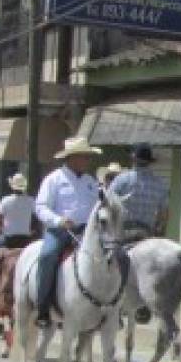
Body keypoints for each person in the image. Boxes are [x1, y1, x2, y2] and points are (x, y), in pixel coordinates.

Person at [33, 136, 104, 327]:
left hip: (86, 233)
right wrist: (58, 220)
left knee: (110, 258)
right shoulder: (53, 180)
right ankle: (43, 307)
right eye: (84, 157)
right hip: (59, 231)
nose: (87, 161)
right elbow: (40, 207)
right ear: (72, 158)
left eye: (88, 157)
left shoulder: (91, 182)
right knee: (48, 256)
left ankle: (107, 309)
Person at [110, 144, 169, 241]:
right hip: (147, 234)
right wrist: (159, 232)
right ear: (150, 162)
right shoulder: (160, 184)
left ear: (133, 158)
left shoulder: (122, 179)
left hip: (124, 232)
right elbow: (164, 214)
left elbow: (107, 202)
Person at [0, 173, 36, 263]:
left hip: (9, 239)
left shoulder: (6, 200)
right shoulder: (31, 201)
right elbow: (36, 218)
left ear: (12, 187)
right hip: (26, 239)